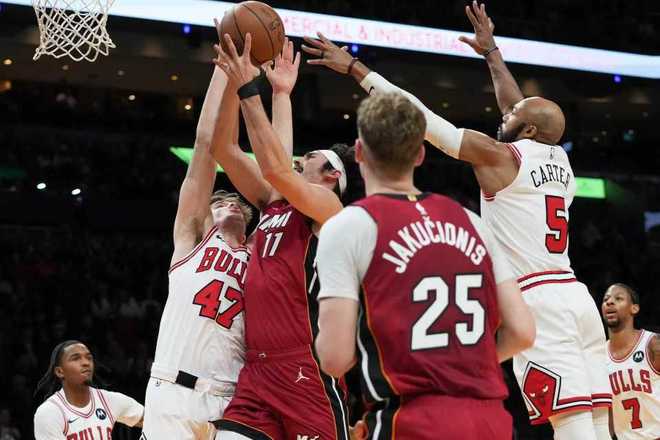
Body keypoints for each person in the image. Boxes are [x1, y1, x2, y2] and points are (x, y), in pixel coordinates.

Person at [302, 2, 612, 439]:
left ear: (526, 131)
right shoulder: (559, 158)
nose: (504, 114)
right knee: (598, 421)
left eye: (512, 117)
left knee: (573, 426)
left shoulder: (501, 156)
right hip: (577, 297)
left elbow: (426, 121)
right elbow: (519, 107)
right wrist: (491, 54)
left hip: (539, 300)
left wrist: (357, 69)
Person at [314, 91, 534, 439]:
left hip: (413, 419)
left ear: (359, 151)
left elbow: (334, 358)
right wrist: (458, 366)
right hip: (490, 420)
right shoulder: (471, 221)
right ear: (419, 154)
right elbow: (522, 332)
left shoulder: (348, 225)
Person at [211, 33, 353, 439]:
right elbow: (224, 148)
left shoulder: (329, 211)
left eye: (311, 157)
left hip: (303, 368)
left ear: (333, 175)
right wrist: (268, 90)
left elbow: (277, 168)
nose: (301, 157)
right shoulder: (275, 204)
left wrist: (249, 87)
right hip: (256, 370)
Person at [141, 65, 253, 440]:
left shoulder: (259, 254)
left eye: (236, 203)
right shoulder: (193, 239)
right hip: (173, 390)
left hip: (233, 401)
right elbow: (206, 145)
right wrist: (226, 73)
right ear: (206, 217)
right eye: (219, 204)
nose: (230, 204)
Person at [33, 341, 143, 439]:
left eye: (89, 358)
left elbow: (150, 419)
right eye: (76, 358)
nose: (86, 363)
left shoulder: (108, 399)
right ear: (59, 372)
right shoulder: (49, 412)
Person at [602, 283, 660, 439]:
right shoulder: (599, 356)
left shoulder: (653, 344)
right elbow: (607, 413)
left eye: (618, 298)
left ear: (634, 308)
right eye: (606, 299)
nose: (610, 302)